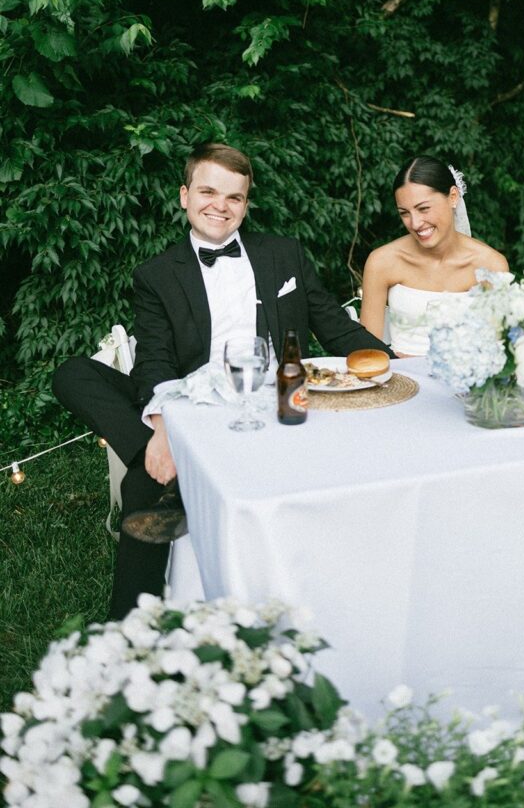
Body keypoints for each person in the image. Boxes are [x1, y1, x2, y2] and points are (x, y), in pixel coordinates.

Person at [53, 142, 392, 619]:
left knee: (141, 486)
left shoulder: (284, 254)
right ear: (184, 195)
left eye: (235, 197)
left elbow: (336, 326)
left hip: (270, 402)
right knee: (72, 374)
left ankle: (129, 628)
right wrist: (166, 427)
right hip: (193, 402)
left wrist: (398, 361)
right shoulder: (155, 275)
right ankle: (155, 455)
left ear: (246, 205)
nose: (221, 205)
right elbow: (155, 362)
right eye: (208, 191)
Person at [360, 156, 508, 356]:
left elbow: (496, 350)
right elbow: (368, 355)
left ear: (453, 197)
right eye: (404, 213)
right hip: (399, 382)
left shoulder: (491, 265)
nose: (415, 223)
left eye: (423, 209)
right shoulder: (382, 262)